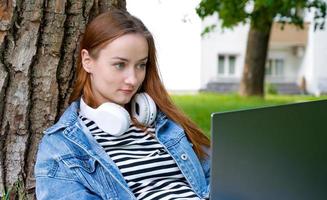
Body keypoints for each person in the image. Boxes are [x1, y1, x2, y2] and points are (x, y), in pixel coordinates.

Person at [34, 9, 210, 200]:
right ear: (87, 61)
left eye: (141, 65)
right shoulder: (61, 146)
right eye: (120, 65)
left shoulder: (166, 122)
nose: (133, 80)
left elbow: (220, 179)